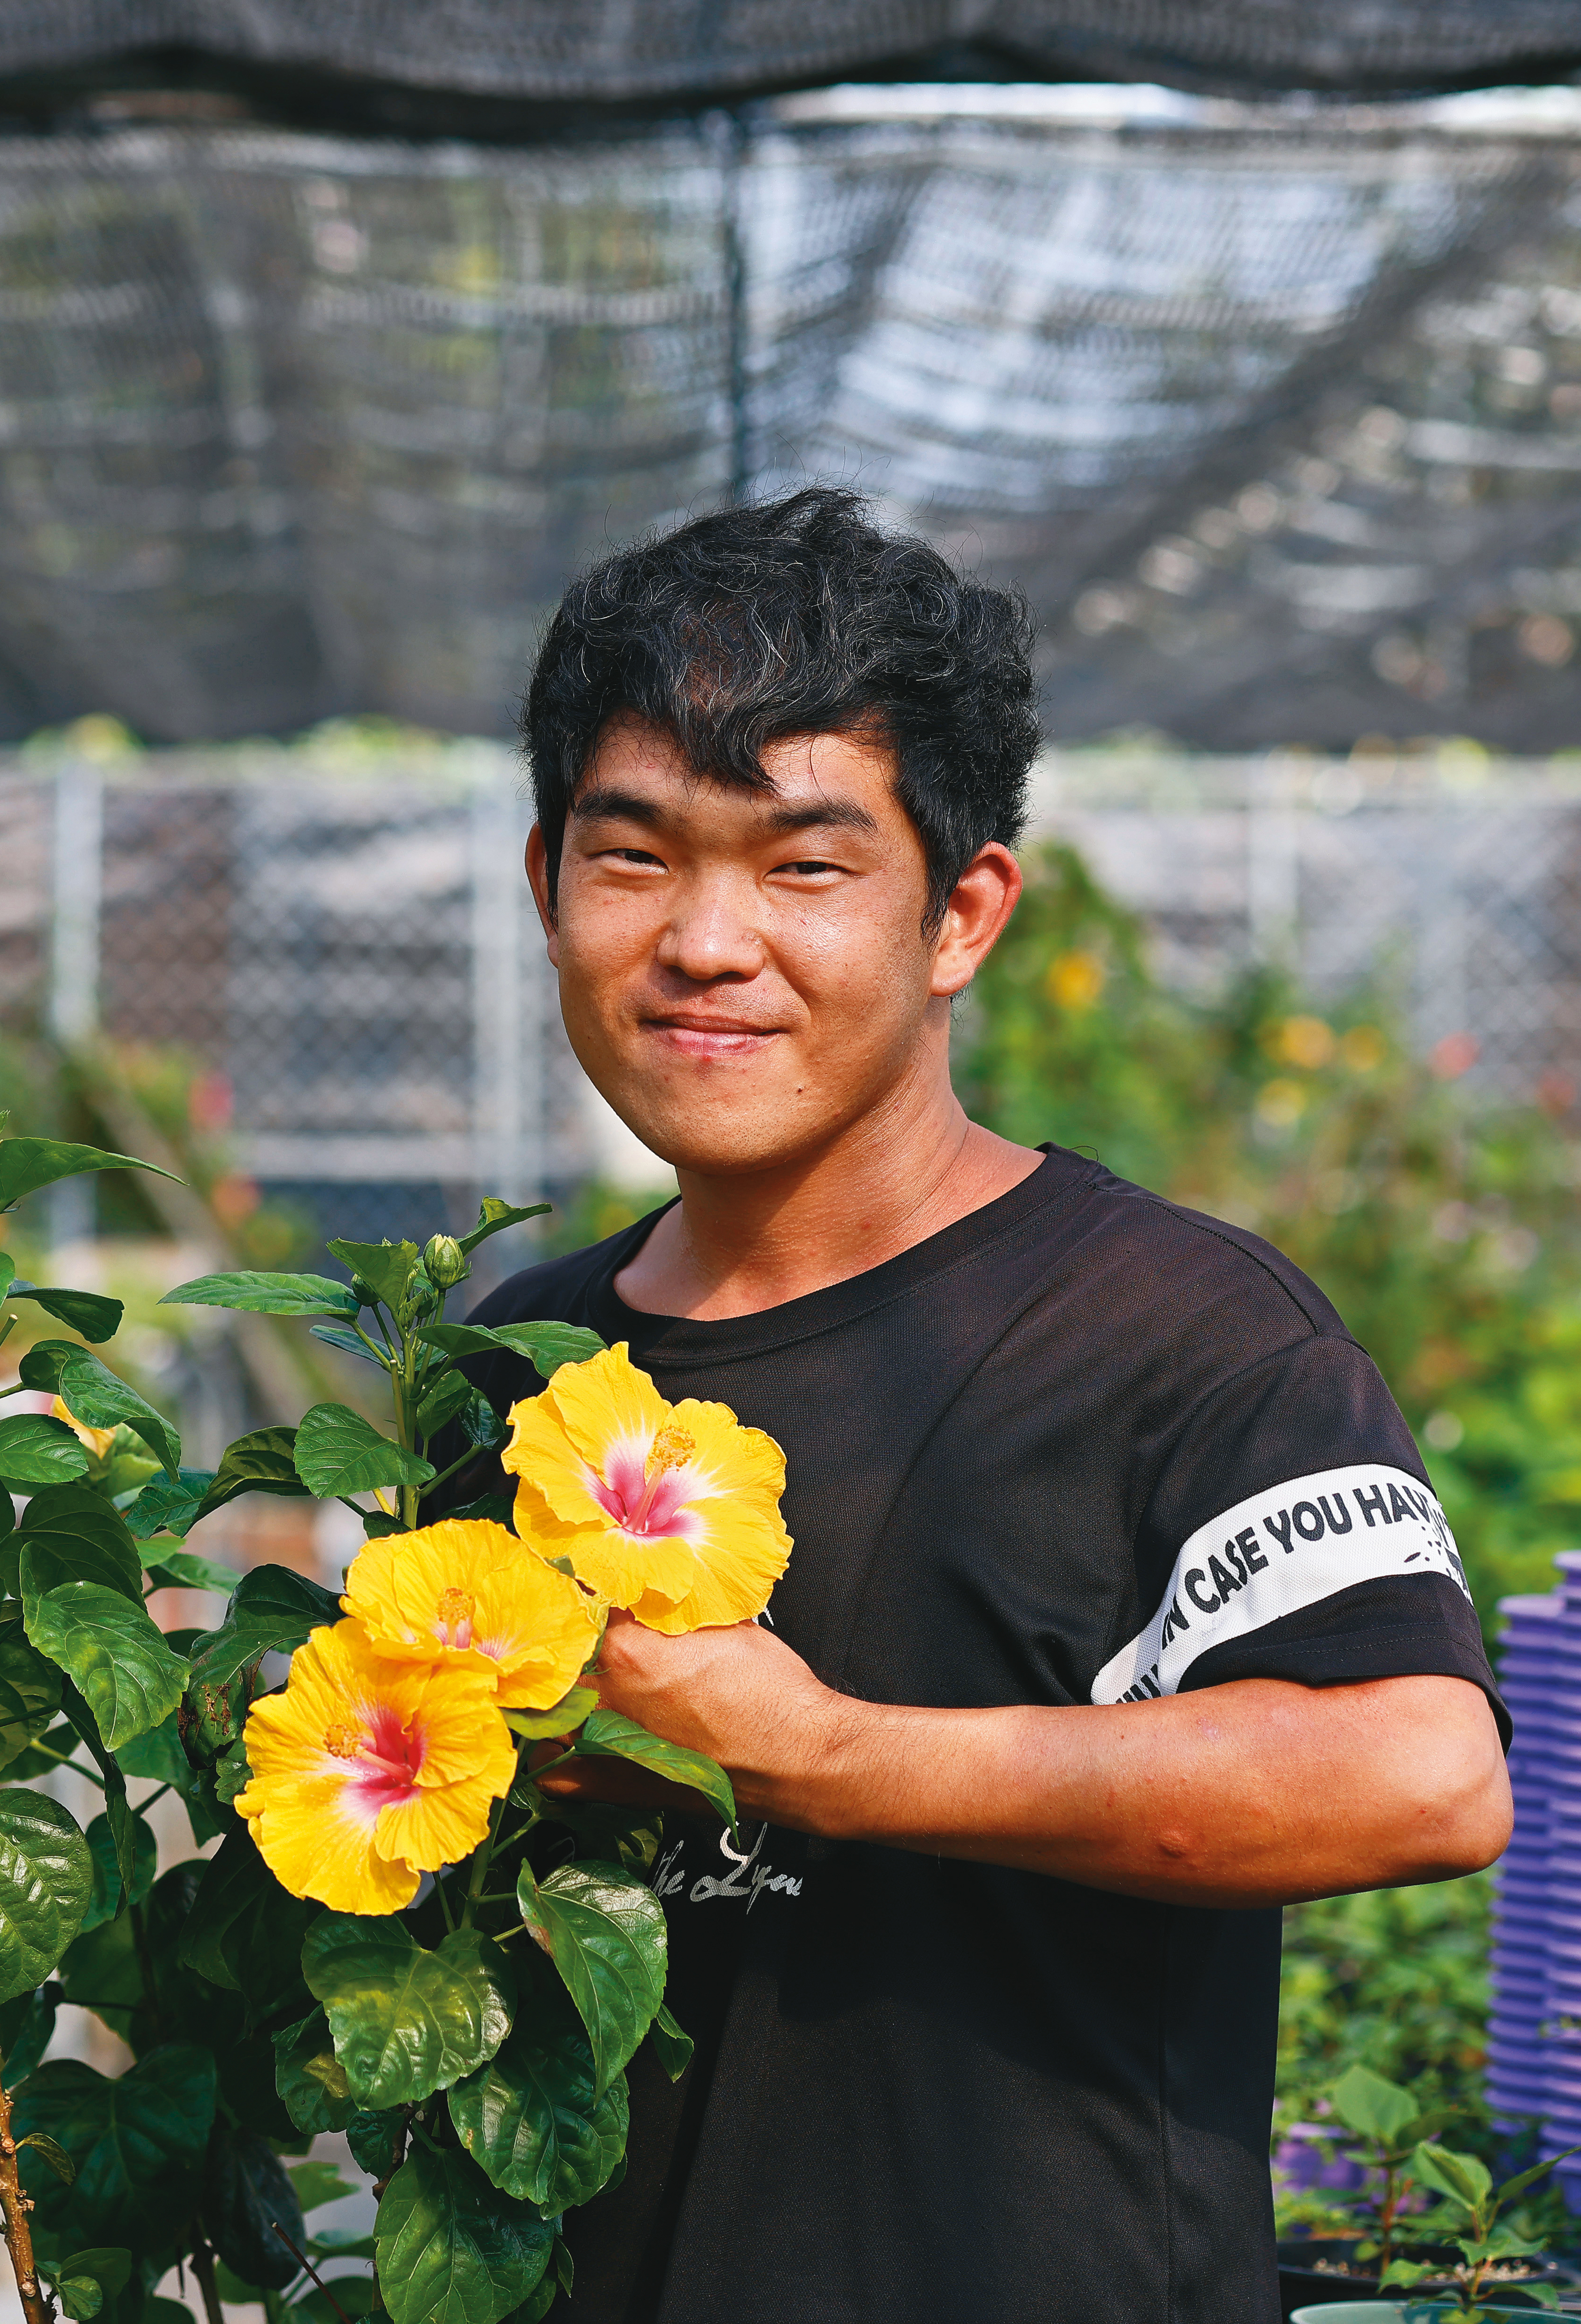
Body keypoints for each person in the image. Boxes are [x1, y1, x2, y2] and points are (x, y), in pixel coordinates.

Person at [433, 488, 1511, 2324]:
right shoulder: (523, 1359)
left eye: (803, 865)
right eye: (636, 856)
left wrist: (823, 1755)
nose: (705, 941)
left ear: (959, 915)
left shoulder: (1175, 1336)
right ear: (546, 887)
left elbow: (1415, 1772)